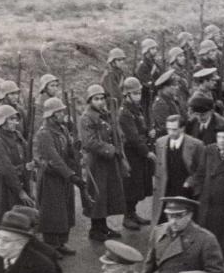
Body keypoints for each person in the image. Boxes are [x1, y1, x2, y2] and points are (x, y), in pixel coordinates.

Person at [34, 97, 85, 252]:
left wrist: (75, 150)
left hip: (63, 176)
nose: (63, 113)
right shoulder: (44, 134)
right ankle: (51, 245)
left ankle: (61, 243)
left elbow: (67, 153)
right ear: (52, 114)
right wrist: (71, 175)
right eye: (60, 111)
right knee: (53, 211)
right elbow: (53, 158)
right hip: (51, 177)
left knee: (65, 210)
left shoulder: (62, 129)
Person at [79, 85, 127, 240]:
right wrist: (110, 149)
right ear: (90, 101)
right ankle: (95, 230)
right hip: (96, 161)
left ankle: (103, 226)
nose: (100, 102)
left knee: (106, 194)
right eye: (96, 99)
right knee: (98, 195)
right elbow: (89, 142)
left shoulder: (105, 114)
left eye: (102, 98)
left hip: (107, 161)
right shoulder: (87, 118)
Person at [116, 78, 155, 231]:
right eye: (135, 93)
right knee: (131, 185)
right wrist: (147, 152)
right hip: (132, 153)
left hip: (138, 152)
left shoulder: (135, 108)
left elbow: (140, 128)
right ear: (127, 95)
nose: (139, 96)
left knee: (138, 184)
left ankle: (133, 213)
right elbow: (132, 137)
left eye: (139, 93)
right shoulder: (125, 113)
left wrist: (147, 131)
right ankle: (127, 216)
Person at [151, 115, 204, 225]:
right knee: (164, 219)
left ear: (182, 128)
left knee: (184, 218)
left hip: (186, 190)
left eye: (174, 129)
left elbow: (201, 169)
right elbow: (160, 167)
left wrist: (190, 181)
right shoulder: (160, 142)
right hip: (166, 188)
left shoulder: (196, 145)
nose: (170, 133)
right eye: (168, 129)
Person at [0, 104, 34, 224]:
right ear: (2, 122)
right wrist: (20, 191)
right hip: (4, 186)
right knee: (7, 219)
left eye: (15, 119)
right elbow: (6, 169)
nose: (15, 122)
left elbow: (27, 153)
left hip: (20, 180)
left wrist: (30, 165)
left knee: (23, 219)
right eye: (11, 119)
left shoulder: (17, 135)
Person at [196, 130, 224, 260]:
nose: (221, 141)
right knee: (205, 239)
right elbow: (201, 173)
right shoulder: (209, 150)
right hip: (207, 204)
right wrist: (200, 194)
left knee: (222, 244)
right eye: (219, 137)